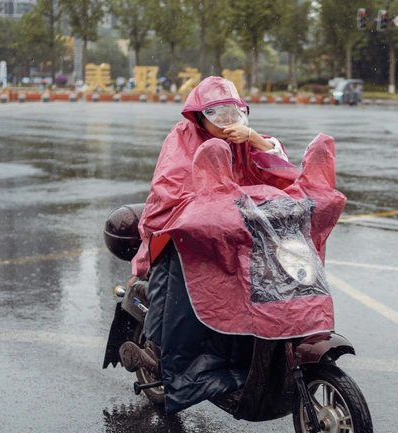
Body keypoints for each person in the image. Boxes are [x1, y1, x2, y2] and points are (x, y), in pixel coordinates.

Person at [121, 76, 344, 414]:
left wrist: (253, 139)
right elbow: (170, 190)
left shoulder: (243, 138)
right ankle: (183, 366)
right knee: (192, 291)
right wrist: (210, 208)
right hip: (192, 232)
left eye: (232, 113)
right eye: (217, 114)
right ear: (200, 116)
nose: (226, 122)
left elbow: (283, 174)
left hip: (239, 229)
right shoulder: (183, 138)